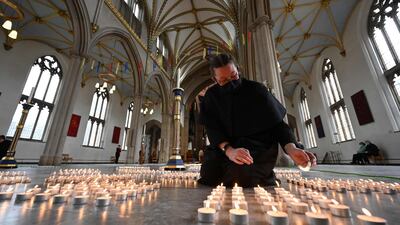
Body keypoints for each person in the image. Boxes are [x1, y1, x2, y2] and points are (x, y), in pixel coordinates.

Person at [198, 53, 316, 187]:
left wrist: (292, 149)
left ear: (238, 69)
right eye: (224, 80)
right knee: (209, 173)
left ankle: (265, 175)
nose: (231, 82)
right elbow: (213, 130)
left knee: (240, 172)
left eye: (234, 76)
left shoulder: (256, 90)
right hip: (227, 147)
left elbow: (278, 126)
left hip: (258, 147)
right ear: (215, 79)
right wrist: (230, 151)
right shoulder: (212, 96)